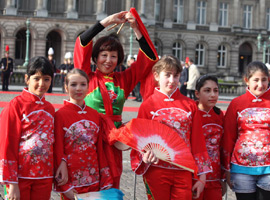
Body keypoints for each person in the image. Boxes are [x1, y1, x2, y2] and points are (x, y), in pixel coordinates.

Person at [73, 9, 158, 188]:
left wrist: (136, 28)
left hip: (115, 142)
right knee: (89, 184)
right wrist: (107, 22)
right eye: (104, 55)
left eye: (113, 56)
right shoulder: (87, 77)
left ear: (119, 59)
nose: (108, 60)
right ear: (95, 58)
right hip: (90, 138)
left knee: (112, 182)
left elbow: (148, 57)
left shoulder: (124, 80)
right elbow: (82, 42)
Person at [130, 55, 212, 200]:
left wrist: (202, 177)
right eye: (167, 75)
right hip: (156, 169)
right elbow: (139, 140)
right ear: (156, 76)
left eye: (176, 75)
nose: (172, 80)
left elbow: (198, 140)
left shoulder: (190, 105)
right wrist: (144, 155)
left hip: (184, 170)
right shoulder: (148, 105)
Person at [222, 61, 270, 200]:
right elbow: (228, 137)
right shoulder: (236, 104)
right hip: (241, 168)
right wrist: (226, 170)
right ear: (247, 80)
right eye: (256, 80)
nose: (260, 84)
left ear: (268, 80)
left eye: (264, 80)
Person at [0, 56, 55, 200]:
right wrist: (11, 182)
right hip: (20, 177)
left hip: (45, 175)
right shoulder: (15, 106)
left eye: (46, 79)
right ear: (27, 79)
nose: (41, 84)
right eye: (36, 78)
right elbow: (7, 143)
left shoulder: (50, 108)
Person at [54, 69, 113, 200]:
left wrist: (104, 177)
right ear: (66, 87)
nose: (78, 89)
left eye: (83, 84)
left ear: (88, 87)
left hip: (94, 178)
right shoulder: (59, 115)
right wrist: (65, 187)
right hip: (71, 179)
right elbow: (58, 149)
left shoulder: (94, 115)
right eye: (73, 85)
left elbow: (99, 150)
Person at [194, 75, 225, 200]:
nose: (212, 95)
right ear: (197, 93)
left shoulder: (220, 116)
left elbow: (223, 146)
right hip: (194, 176)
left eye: (215, 91)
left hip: (215, 176)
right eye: (207, 91)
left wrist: (223, 176)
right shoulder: (191, 113)